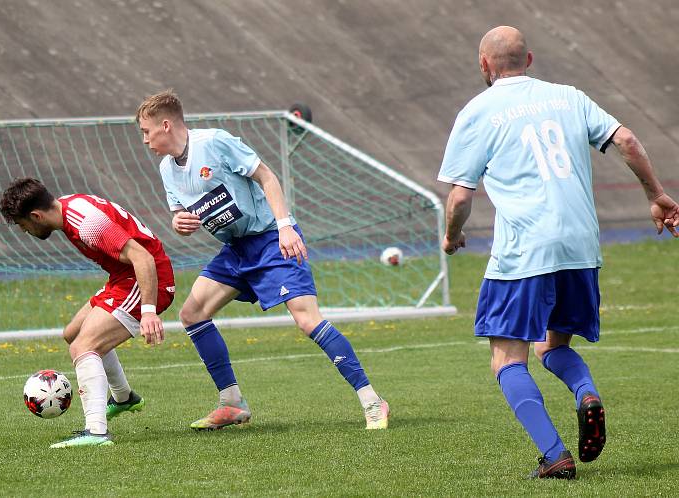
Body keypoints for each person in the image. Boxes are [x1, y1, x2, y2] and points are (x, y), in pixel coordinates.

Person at [438, 25, 679, 479]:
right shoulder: (569, 96)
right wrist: (657, 194)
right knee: (551, 344)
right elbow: (626, 140)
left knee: (507, 358)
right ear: (529, 61)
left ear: (484, 65)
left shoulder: (478, 110)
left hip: (525, 249)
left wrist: (451, 236)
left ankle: (555, 455)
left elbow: (460, 197)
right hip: (581, 246)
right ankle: (586, 391)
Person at [135, 90, 389, 430]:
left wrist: (285, 227)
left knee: (307, 320)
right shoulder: (168, 169)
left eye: (146, 131)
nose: (144, 139)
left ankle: (372, 400)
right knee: (192, 313)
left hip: (271, 238)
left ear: (165, 125)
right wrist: (178, 223)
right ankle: (231, 403)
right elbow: (182, 216)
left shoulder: (214, 142)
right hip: (237, 249)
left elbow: (266, 177)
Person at [0, 178, 176, 448]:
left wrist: (149, 312)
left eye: (23, 226)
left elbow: (143, 258)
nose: (25, 231)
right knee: (73, 334)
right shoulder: (69, 208)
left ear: (36, 216)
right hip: (123, 278)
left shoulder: (85, 222)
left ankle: (96, 432)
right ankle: (124, 397)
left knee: (83, 347)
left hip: (147, 280)